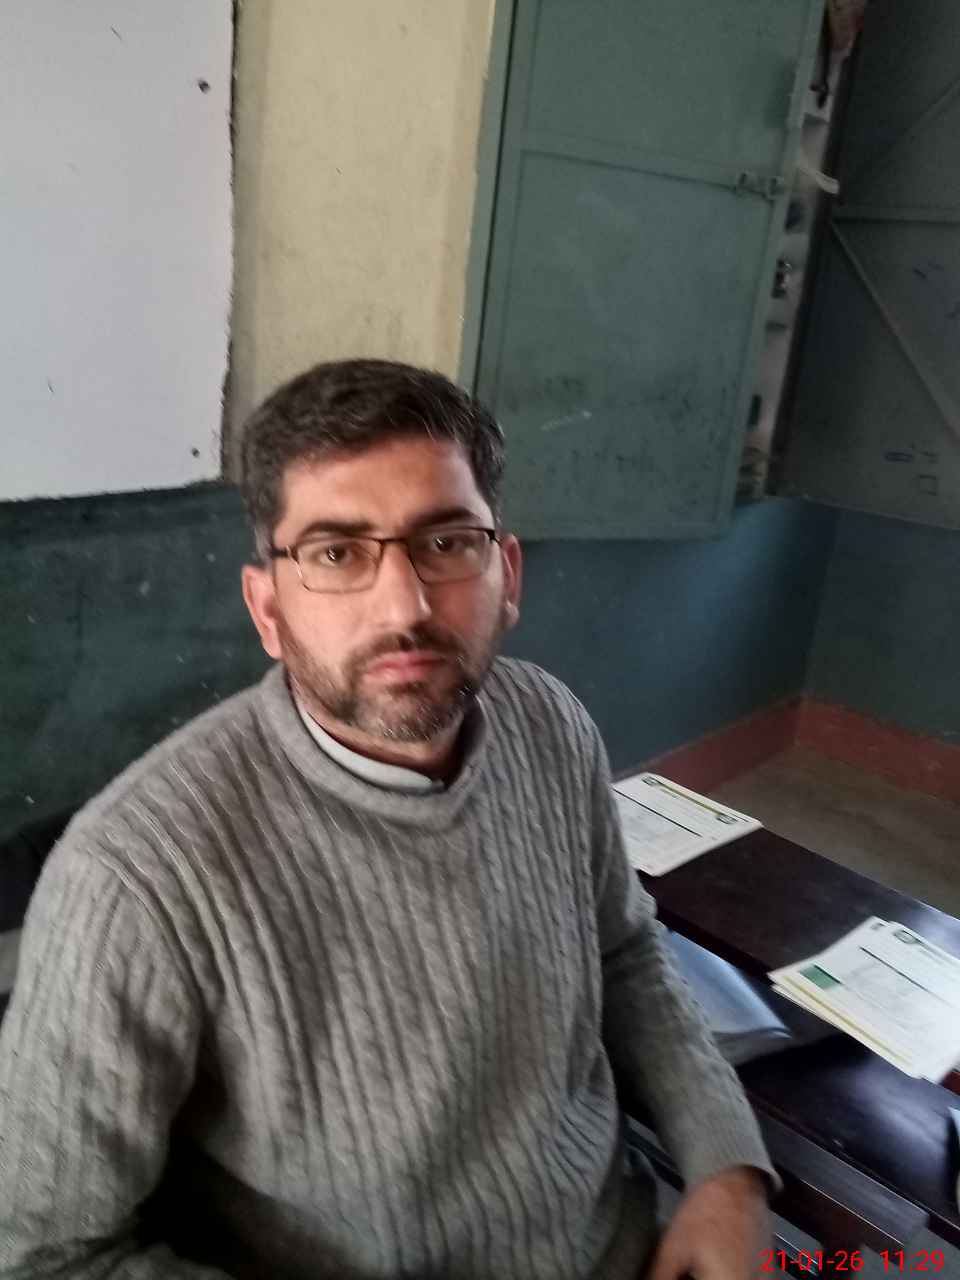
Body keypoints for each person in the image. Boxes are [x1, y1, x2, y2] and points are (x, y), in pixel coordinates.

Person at [0, 359, 776, 1279]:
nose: (405, 604)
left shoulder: (552, 726)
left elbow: (624, 952)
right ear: (268, 610)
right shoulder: (134, 881)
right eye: (336, 554)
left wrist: (726, 1165)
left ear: (507, 572)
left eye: (446, 542)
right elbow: (45, 1255)